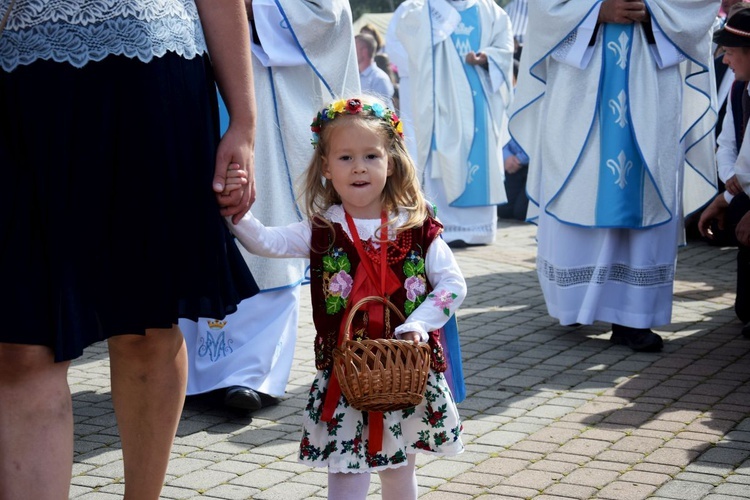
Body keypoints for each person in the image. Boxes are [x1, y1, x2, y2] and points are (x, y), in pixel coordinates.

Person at [0, 0, 258, 498]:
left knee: (148, 330)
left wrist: (243, 123)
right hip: (20, 90)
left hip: (152, 83)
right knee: (20, 347)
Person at [228, 96, 466, 500]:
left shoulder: (415, 224)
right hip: (346, 375)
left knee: (398, 471)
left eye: (371, 155)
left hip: (403, 371)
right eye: (345, 157)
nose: (359, 167)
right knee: (345, 471)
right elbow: (267, 241)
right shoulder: (322, 230)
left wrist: (419, 324)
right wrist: (236, 212)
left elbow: (452, 285)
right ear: (325, 168)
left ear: (390, 162)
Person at [180, 0, 361, 412]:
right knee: (191, 219)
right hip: (189, 79)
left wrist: (254, 6)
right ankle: (186, 372)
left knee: (263, 226)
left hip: (263, 92)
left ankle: (252, 374)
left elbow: (327, 14)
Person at [508, 0, 718, 352]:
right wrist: (596, 10)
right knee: (579, 188)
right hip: (581, 82)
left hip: (649, 75)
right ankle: (574, 303)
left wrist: (655, 9)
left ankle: (632, 318)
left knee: (647, 192)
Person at [391, 0, 515, 246]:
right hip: (440, 103)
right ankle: (441, 225)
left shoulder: (491, 11)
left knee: (478, 156)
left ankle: (477, 231)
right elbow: (402, 49)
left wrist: (487, 57)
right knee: (443, 159)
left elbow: (506, 48)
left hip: (480, 100)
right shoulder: (418, 9)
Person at [699, 7, 750, 340]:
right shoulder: (738, 89)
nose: (725, 61)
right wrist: (731, 187)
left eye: (730, 52)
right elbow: (728, 142)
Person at [355, 33, 395, 109]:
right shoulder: (357, 76)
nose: (352, 53)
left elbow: (385, 111)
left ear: (364, 51)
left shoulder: (379, 79)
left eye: (354, 48)